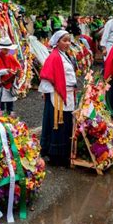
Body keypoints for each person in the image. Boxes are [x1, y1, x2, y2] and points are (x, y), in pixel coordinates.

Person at [38, 30, 76, 166]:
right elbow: (46, 76)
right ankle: (55, 155)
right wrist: (53, 92)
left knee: (65, 123)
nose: (67, 43)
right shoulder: (54, 56)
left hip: (67, 93)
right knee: (57, 124)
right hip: (58, 95)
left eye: (69, 40)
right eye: (64, 40)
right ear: (57, 42)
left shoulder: (65, 55)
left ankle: (63, 152)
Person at [0, 36, 22, 114]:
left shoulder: (11, 57)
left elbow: (18, 67)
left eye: (8, 49)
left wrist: (17, 72)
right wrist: (7, 70)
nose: (7, 51)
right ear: (1, 48)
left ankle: (11, 118)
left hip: (10, 84)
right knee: (1, 105)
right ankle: (1, 119)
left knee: (10, 105)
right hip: (1, 84)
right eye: (5, 49)